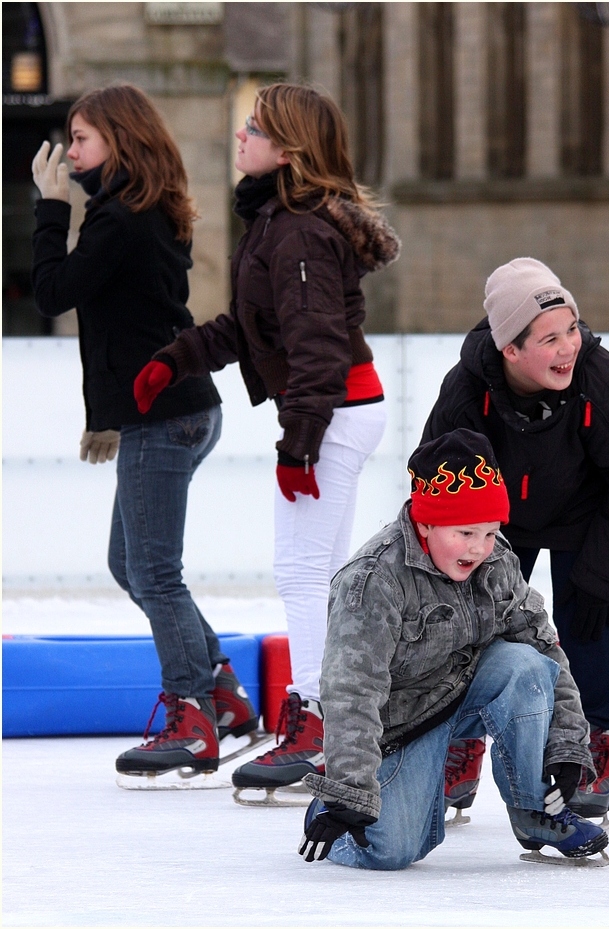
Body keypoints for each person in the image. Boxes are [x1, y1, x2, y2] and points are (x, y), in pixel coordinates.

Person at [133, 82, 400, 797]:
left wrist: (299, 443)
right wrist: (176, 359)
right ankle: (333, 720)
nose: (241, 135)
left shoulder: (302, 231)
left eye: (253, 127)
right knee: (322, 573)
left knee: (302, 573)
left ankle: (316, 728)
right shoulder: (280, 222)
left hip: (333, 412)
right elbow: (253, 328)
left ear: (287, 149)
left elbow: (315, 347)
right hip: (338, 407)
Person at [30, 84, 258, 782]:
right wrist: (106, 417)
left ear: (120, 141)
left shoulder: (120, 219)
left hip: (167, 413)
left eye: (82, 138)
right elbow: (116, 323)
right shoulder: (132, 210)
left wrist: (49, 212)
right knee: (133, 565)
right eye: (71, 138)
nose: (71, 151)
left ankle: (193, 714)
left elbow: (53, 293)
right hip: (167, 408)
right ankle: (219, 690)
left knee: (152, 570)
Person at [421, 257, 609, 821]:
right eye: (550, 338)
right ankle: (461, 740)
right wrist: (464, 551)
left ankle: (593, 741)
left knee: (586, 605)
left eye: (572, 329)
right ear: (510, 349)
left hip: (587, 512)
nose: (568, 347)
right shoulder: (465, 393)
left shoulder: (603, 382)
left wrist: (601, 567)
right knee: (471, 612)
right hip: (498, 519)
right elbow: (436, 483)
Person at [298, 429, 609, 869]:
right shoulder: (374, 581)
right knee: (392, 851)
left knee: (526, 664)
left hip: (463, 693)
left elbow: (546, 647)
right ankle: (338, 814)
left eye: (490, 532)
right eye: (465, 532)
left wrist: (565, 745)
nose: (480, 548)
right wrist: (349, 790)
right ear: (425, 523)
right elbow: (351, 691)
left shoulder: (496, 560)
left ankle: (538, 812)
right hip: (400, 723)